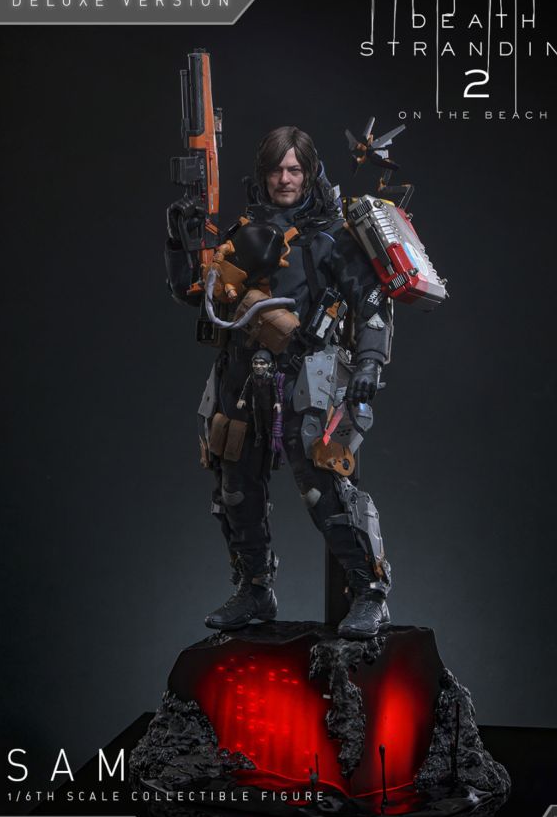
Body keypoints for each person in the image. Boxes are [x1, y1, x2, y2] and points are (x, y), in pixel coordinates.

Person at [165, 126, 393, 639]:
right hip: (243, 375)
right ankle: (255, 588)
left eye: (294, 169)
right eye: (276, 170)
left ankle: (370, 592)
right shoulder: (242, 231)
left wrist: (369, 365)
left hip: (307, 375)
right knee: (235, 488)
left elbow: (372, 303)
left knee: (324, 489)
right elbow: (194, 293)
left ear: (309, 173)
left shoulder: (331, 235)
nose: (284, 179)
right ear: (263, 174)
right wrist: (180, 241)